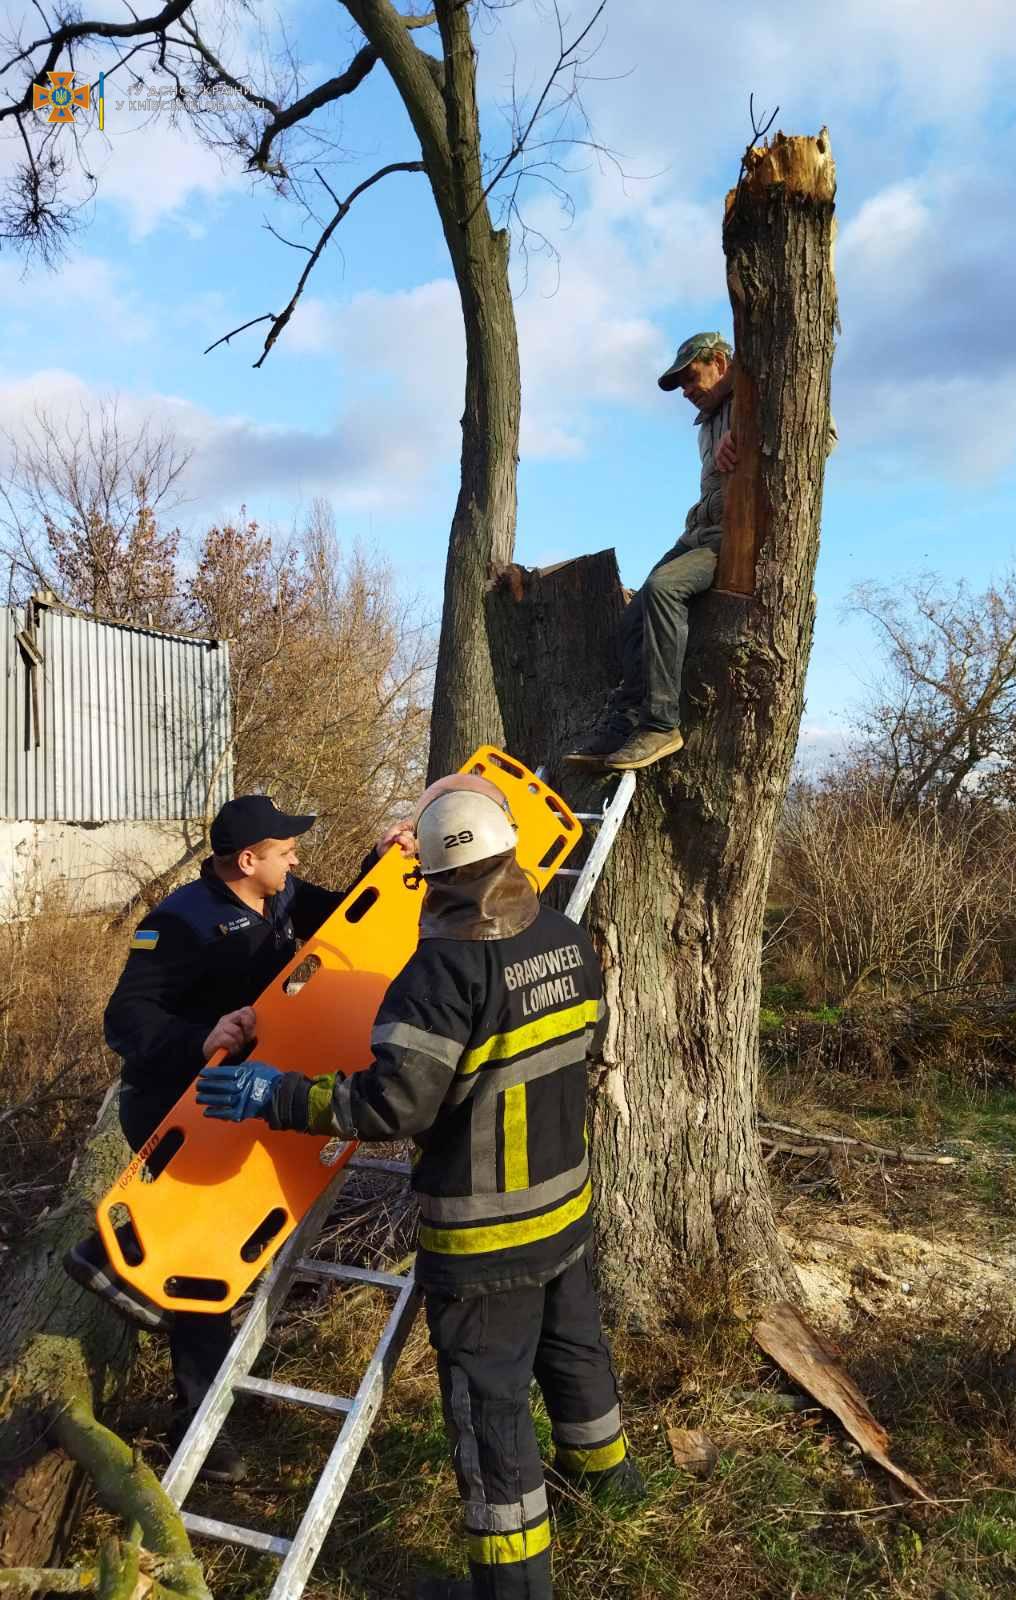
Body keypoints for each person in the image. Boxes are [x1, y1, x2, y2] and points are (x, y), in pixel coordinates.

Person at [196, 774, 642, 1600]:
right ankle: (612, 1484)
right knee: (575, 1347)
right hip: (565, 1207)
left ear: (433, 877)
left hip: (484, 1238)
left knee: (492, 1410)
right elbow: (580, 1039)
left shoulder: (440, 973)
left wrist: (279, 1096)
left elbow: (394, 1103)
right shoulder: (565, 937)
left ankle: (511, 1589)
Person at [65, 794, 405, 1483]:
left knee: (222, 1246)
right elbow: (126, 1019)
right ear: (247, 860)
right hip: (173, 1106)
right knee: (200, 1262)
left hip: (239, 1102)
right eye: (286, 851)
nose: (297, 858)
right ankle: (199, 1428)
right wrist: (200, 1038)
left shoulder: (281, 898)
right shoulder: (180, 923)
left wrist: (385, 861)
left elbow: (344, 920)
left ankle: (118, 1274)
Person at [567, 330, 837, 771]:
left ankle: (661, 725)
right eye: (682, 387)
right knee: (632, 616)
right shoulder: (709, 421)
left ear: (720, 362)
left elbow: (819, 437)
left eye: (693, 378)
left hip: (739, 538)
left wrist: (753, 433)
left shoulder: (761, 391)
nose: (688, 392)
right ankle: (627, 720)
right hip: (698, 531)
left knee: (663, 588)